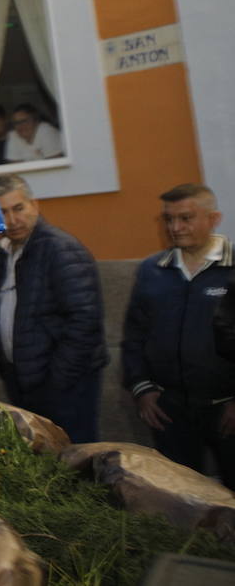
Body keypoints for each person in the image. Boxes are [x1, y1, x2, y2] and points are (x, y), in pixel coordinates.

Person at [121, 183, 234, 487]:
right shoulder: (151, 270)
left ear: (214, 219)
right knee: (182, 500)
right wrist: (141, 388)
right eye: (169, 219)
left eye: (185, 218)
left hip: (226, 408)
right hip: (170, 413)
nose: (175, 227)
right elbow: (134, 336)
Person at [0, 174, 107, 442]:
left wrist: (57, 382)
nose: (12, 220)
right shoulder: (4, 254)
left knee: (74, 462)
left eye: (18, 208)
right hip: (24, 383)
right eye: (2, 212)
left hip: (65, 388)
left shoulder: (61, 250)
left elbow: (85, 321)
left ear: (35, 206)